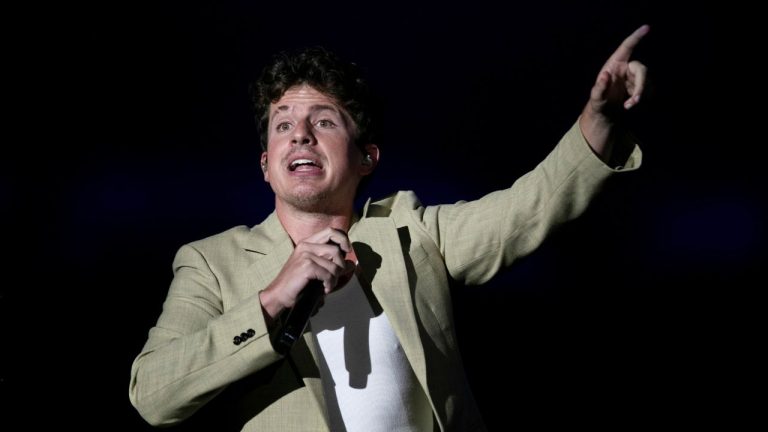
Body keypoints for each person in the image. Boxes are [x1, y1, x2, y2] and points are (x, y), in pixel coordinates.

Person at [129, 25, 650, 431]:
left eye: (325, 121)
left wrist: (598, 121)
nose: (302, 135)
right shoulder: (211, 263)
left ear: (367, 157)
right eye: (283, 124)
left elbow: (526, 209)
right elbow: (153, 394)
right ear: (266, 163)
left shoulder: (410, 231)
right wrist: (268, 303)